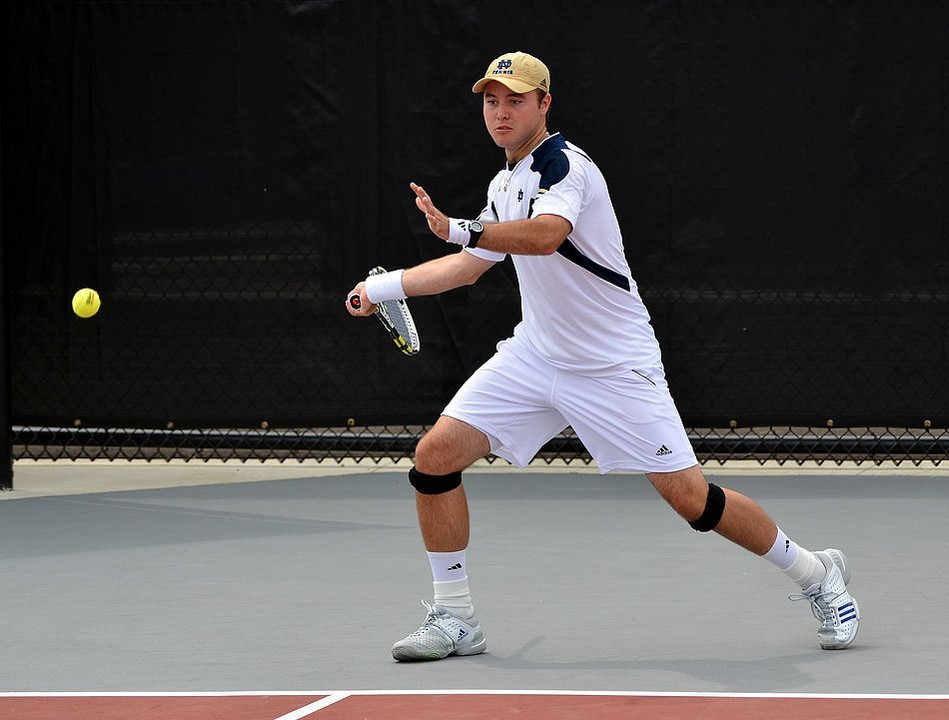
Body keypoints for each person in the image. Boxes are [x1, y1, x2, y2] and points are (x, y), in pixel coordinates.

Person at [345, 51, 859, 661]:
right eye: (491, 101)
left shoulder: (568, 167)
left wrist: (460, 227)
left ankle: (815, 573)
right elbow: (470, 267)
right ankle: (455, 617)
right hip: (536, 356)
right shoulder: (503, 182)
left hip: (615, 364)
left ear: (544, 104)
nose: (501, 112)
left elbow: (544, 237)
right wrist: (383, 287)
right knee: (434, 457)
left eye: (515, 100)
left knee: (692, 500)